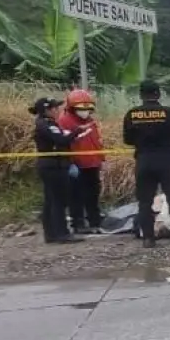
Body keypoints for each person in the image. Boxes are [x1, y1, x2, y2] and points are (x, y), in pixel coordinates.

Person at [122, 80, 170, 248]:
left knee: (144, 202)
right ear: (158, 94)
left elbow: (128, 140)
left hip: (144, 161)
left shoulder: (132, 114)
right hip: (167, 161)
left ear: (141, 95)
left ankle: (148, 239)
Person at [30, 97, 92, 244]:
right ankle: (61, 233)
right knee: (58, 200)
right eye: (55, 108)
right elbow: (60, 140)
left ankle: (51, 233)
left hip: (51, 164)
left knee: (51, 200)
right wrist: (76, 132)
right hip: (54, 165)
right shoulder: (46, 125)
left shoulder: (46, 124)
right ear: (47, 110)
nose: (58, 111)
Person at [57, 88, 104, 234]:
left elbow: (96, 141)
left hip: (92, 163)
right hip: (76, 164)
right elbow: (63, 143)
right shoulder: (64, 121)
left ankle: (94, 220)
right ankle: (78, 224)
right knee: (76, 195)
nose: (85, 111)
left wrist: (102, 159)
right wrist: (69, 162)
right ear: (72, 107)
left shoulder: (90, 121)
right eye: (81, 108)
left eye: (88, 108)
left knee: (93, 194)